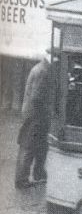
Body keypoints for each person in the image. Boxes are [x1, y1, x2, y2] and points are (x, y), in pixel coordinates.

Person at [15, 50, 52, 189]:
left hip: (34, 114)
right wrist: (48, 108)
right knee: (29, 146)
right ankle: (22, 179)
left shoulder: (41, 68)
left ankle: (38, 173)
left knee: (40, 145)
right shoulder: (43, 71)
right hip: (35, 116)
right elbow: (36, 97)